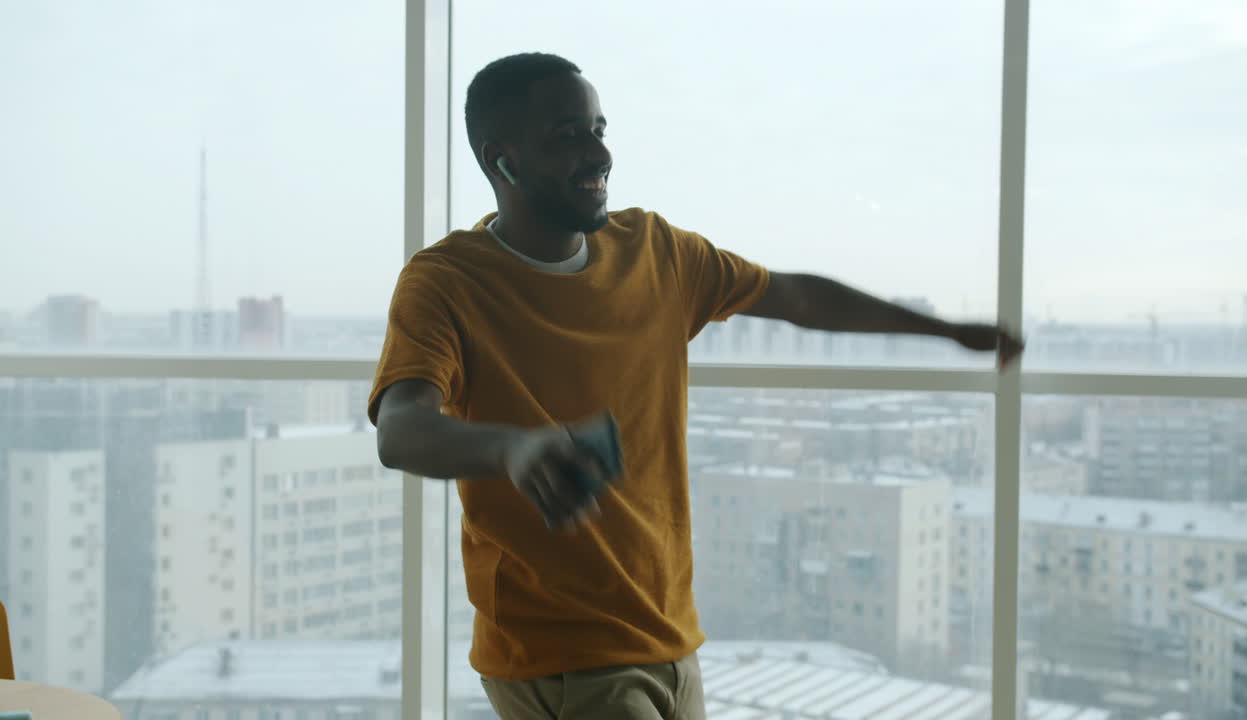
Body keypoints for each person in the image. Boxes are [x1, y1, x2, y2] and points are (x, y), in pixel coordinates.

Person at [370, 52, 1025, 720]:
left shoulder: (655, 252)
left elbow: (797, 297)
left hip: (669, 636)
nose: (600, 153)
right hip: (561, 656)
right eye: (568, 135)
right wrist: (511, 451)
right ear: (501, 160)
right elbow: (401, 428)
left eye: (599, 128)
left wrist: (944, 330)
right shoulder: (446, 281)